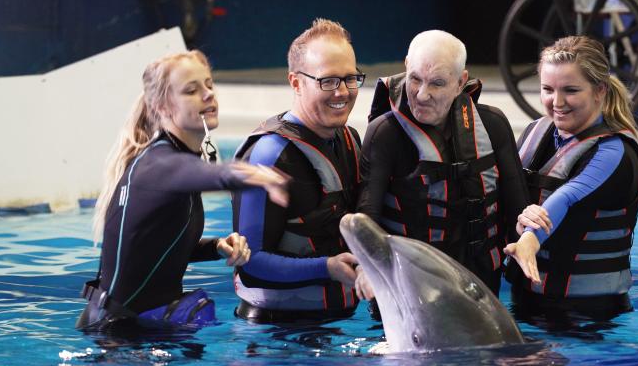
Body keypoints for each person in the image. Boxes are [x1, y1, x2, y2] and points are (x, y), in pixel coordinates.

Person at [77, 50, 289, 333]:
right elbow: (205, 173)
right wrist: (249, 173)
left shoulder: (173, 159)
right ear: (163, 106)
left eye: (209, 85)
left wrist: (216, 247)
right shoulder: (157, 163)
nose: (208, 95)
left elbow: (157, 249)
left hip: (139, 331)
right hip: (118, 339)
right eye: (191, 90)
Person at [357, 30, 529, 295]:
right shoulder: (385, 134)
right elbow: (367, 216)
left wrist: (526, 242)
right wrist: (366, 267)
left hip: (480, 288)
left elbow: (519, 209)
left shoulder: (493, 125)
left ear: (461, 82)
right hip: (410, 289)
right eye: (415, 79)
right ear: (405, 66)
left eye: (437, 83)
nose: (422, 94)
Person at [504, 36, 638, 316]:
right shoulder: (536, 131)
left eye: (570, 90)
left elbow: (567, 198)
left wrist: (529, 240)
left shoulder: (615, 151)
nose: (557, 102)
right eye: (547, 89)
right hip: (526, 301)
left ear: (599, 90)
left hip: (588, 316)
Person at [231, 18, 363, 322]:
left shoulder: (349, 139)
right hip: (274, 335)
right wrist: (326, 268)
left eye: (350, 78)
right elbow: (250, 262)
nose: (342, 92)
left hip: (337, 323)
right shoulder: (270, 155)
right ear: (295, 82)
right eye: (328, 81)